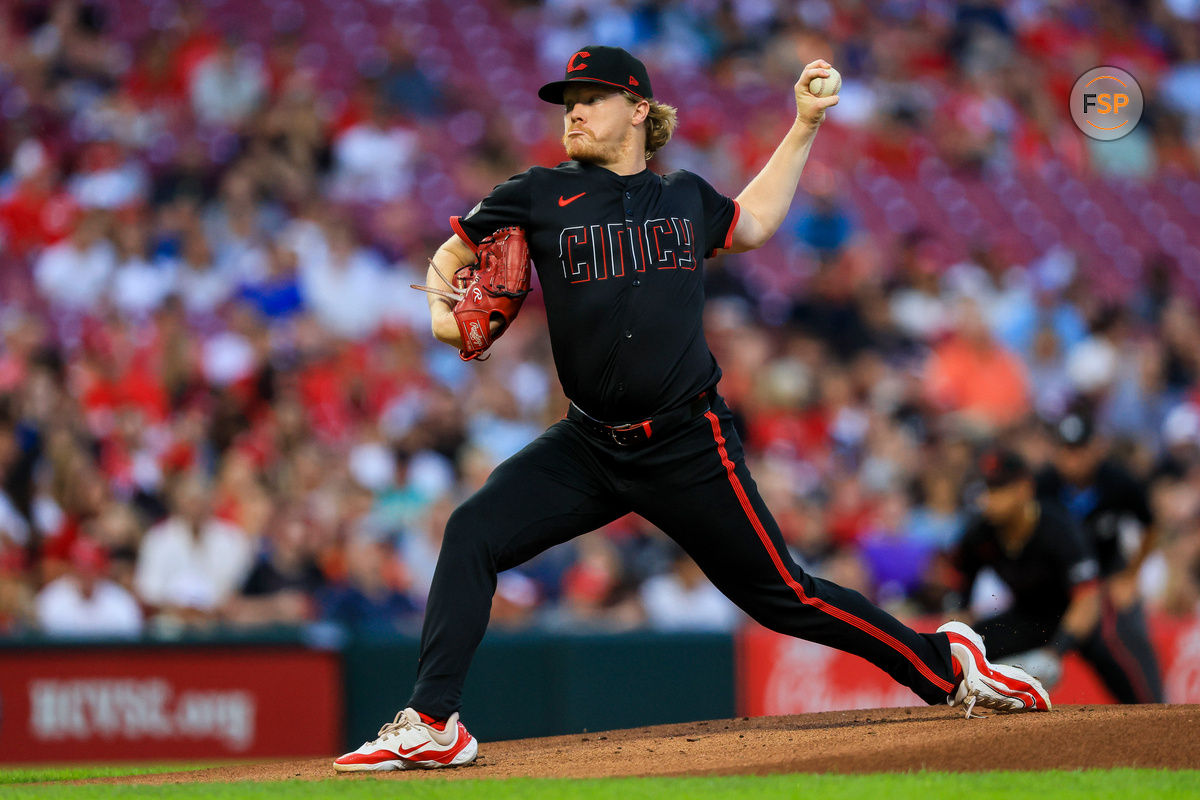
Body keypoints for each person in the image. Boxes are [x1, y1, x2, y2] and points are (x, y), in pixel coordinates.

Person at [334, 46, 1050, 773]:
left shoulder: (682, 194)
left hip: (686, 442)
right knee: (472, 531)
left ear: (639, 109)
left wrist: (803, 124)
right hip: (588, 446)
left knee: (786, 597)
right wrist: (445, 320)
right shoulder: (537, 192)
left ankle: (943, 662)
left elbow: (754, 222)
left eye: (591, 97)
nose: (573, 110)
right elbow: (450, 257)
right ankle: (432, 720)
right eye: (567, 100)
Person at [955, 447, 1161, 703]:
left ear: (1024, 489)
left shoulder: (1058, 528)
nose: (990, 498)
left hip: (1075, 616)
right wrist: (961, 647)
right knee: (967, 650)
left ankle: (1149, 713)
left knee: (1113, 651)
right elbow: (960, 602)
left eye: (999, 489)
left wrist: (1055, 652)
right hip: (1027, 617)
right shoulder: (978, 536)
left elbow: (1087, 599)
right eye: (988, 489)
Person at [1034, 414, 1164, 702]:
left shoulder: (1118, 480)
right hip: (1058, 576)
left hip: (1108, 569)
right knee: (1033, 631)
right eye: (1066, 450)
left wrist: (1131, 574)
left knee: (1132, 629)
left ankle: (1156, 708)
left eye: (1080, 450)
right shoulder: (1042, 485)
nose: (1073, 459)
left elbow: (1151, 526)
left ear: (1096, 448)